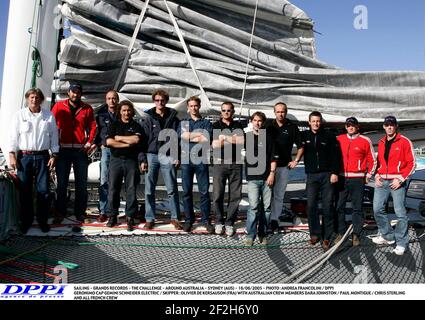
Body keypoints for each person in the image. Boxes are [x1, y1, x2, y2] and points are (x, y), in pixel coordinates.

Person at [9, 88, 59, 233]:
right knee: (25, 191)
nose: (34, 100)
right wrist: (12, 154)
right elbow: (13, 136)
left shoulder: (48, 115)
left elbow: (54, 136)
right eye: (31, 97)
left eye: (37, 97)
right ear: (27, 99)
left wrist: (54, 155)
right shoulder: (19, 115)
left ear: (41, 99)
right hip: (24, 157)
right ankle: (26, 221)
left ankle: (42, 220)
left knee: (43, 191)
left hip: (43, 157)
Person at [51, 83, 97, 223]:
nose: (75, 94)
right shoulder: (58, 106)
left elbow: (94, 126)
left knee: (81, 184)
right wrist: (53, 147)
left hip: (80, 151)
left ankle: (80, 213)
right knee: (62, 184)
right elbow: (51, 125)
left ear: (80, 93)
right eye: (73, 92)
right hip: (62, 150)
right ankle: (60, 212)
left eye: (78, 92)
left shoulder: (87, 108)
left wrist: (89, 142)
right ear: (68, 92)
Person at [372, 116, 415, 255]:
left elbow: (411, 163)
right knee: (377, 209)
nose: (389, 127)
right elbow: (379, 163)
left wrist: (400, 179)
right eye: (387, 125)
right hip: (382, 181)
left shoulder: (404, 141)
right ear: (384, 127)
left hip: (397, 182)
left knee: (400, 212)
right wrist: (377, 175)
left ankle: (402, 243)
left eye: (392, 125)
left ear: (396, 126)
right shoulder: (381, 141)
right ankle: (388, 237)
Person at [139, 90, 182, 230]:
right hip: (151, 155)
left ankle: (175, 218)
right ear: (154, 101)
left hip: (168, 155)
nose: (160, 103)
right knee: (149, 189)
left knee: (172, 189)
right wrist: (142, 159)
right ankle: (150, 218)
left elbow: (178, 139)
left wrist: (177, 156)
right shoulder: (148, 118)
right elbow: (142, 141)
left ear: (166, 101)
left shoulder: (173, 118)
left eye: (162, 100)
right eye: (157, 100)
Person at [300, 111, 340, 251]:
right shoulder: (305, 136)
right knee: (311, 205)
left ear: (320, 122)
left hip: (327, 174)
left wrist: (335, 172)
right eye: (313, 121)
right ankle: (315, 233)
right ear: (309, 122)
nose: (316, 123)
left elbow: (336, 155)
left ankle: (327, 237)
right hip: (311, 175)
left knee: (327, 206)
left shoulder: (329, 135)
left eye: (318, 121)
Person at [335, 117, 376, 246]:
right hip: (341, 177)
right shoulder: (339, 139)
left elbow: (373, 160)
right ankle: (340, 233)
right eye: (348, 125)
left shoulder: (365, 140)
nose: (350, 127)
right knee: (339, 206)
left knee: (357, 208)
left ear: (357, 127)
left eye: (353, 125)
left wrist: (369, 174)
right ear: (345, 127)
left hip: (357, 178)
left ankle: (356, 234)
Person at [105, 101, 143, 231]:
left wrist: (118, 138)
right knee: (113, 188)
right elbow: (109, 141)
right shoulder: (113, 124)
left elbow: (136, 140)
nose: (126, 113)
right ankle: (112, 215)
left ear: (132, 111)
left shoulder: (136, 125)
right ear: (120, 111)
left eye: (128, 110)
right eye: (124, 110)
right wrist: (127, 143)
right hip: (116, 160)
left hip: (131, 161)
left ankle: (130, 216)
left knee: (131, 189)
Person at [178, 96, 214, 233]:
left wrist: (189, 136)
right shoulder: (184, 123)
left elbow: (206, 139)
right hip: (186, 160)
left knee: (204, 192)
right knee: (187, 192)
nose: (193, 108)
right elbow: (182, 137)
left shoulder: (206, 123)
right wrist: (197, 136)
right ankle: (189, 219)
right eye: (191, 106)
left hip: (201, 160)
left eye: (196, 105)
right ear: (188, 108)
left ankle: (205, 220)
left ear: (199, 106)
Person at [267, 102, 303, 232]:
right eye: (278, 111)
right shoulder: (268, 126)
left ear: (286, 112)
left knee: (279, 194)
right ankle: (264, 217)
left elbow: (301, 146)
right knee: (265, 193)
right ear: (274, 112)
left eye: (282, 111)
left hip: (283, 167)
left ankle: (274, 219)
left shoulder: (292, 127)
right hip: (269, 166)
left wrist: (296, 160)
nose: (280, 114)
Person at [211, 102, 245, 236]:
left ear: (233, 112)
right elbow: (215, 145)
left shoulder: (238, 125)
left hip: (236, 163)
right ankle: (219, 221)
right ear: (221, 112)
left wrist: (224, 137)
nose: (226, 112)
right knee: (217, 194)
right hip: (220, 163)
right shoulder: (215, 126)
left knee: (235, 195)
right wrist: (232, 139)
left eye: (229, 110)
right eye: (224, 110)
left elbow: (241, 141)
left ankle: (230, 222)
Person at [244, 112, 276, 245]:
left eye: (260, 121)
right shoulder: (247, 137)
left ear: (263, 123)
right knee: (253, 207)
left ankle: (263, 233)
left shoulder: (268, 138)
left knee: (267, 208)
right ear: (252, 122)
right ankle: (251, 234)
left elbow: (273, 158)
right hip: (252, 178)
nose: (257, 123)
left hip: (266, 177)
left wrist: (272, 173)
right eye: (255, 120)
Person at [94, 90, 119, 222]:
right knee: (104, 180)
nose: (111, 101)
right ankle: (103, 210)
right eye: (109, 98)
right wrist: (99, 144)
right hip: (106, 151)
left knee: (116, 181)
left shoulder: (122, 114)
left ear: (117, 100)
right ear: (106, 100)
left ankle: (113, 210)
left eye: (114, 98)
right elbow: (97, 131)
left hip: (119, 151)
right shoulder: (101, 115)